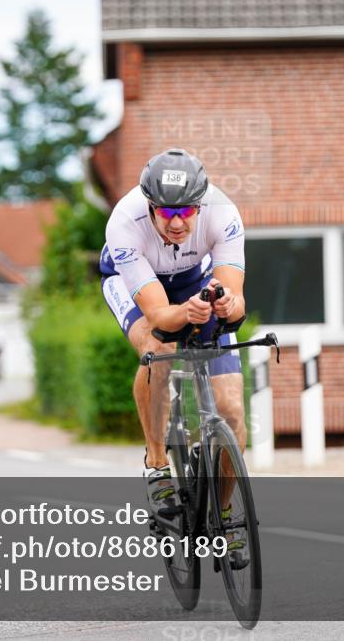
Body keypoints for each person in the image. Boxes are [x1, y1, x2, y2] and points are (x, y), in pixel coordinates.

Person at [99, 148, 247, 524]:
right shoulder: (123, 223)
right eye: (166, 212)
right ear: (150, 206)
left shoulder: (224, 213)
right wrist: (185, 313)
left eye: (186, 211)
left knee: (231, 410)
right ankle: (156, 462)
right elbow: (160, 316)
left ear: (201, 204)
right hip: (133, 278)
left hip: (194, 278)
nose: (177, 222)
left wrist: (227, 306)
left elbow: (237, 302)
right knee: (158, 346)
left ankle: (225, 513)